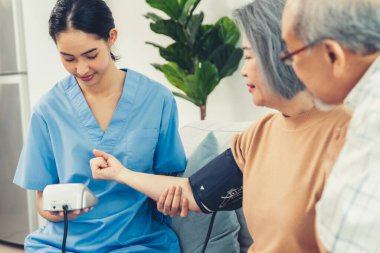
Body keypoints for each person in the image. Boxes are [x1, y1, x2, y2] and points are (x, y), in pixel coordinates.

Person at [90, 0, 351, 252]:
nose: (243, 71)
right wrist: (119, 173)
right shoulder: (258, 136)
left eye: (249, 57)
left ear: (282, 55)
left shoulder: (349, 135)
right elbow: (192, 193)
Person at [13, 0, 186, 252]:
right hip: (64, 243)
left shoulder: (157, 100)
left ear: (111, 37)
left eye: (91, 55)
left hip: (136, 242)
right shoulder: (48, 109)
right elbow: (42, 201)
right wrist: (62, 213)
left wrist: (169, 200)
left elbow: (168, 181)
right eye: (68, 58)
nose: (81, 69)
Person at [281, 0, 380, 252]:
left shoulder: (372, 116)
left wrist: (332, 169)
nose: (292, 70)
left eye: (291, 56)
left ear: (332, 54)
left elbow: (342, 243)